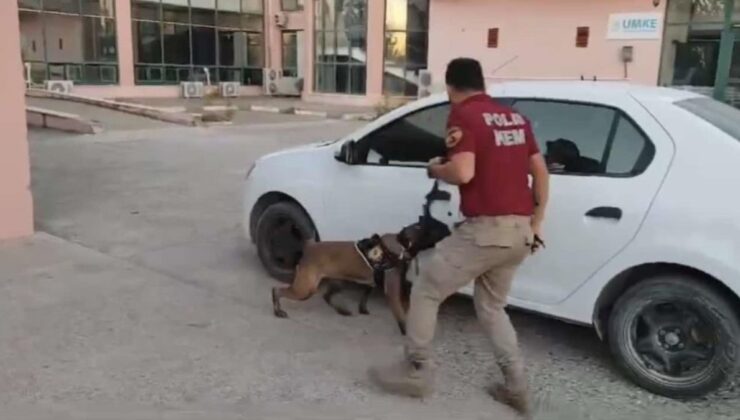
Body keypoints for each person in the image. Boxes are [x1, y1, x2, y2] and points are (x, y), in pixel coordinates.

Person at [368, 57, 550, 418]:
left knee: (425, 289)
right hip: (519, 232)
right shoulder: (515, 118)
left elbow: (463, 172)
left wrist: (435, 167)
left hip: (485, 231)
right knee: (492, 307)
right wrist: (536, 225)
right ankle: (517, 389)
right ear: (483, 83)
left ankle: (417, 371)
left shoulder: (464, 116)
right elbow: (541, 174)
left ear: (450, 88)